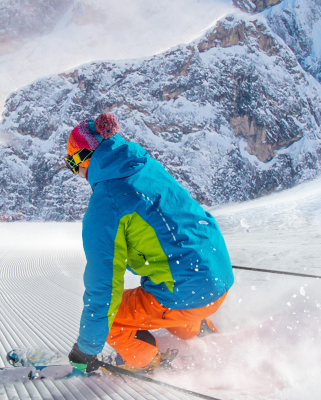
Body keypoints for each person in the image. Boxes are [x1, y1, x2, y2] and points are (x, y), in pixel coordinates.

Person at [65, 112, 234, 373]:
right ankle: (200, 331)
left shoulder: (106, 200)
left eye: (73, 165)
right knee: (168, 295)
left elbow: (104, 287)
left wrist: (87, 349)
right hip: (218, 277)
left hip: (187, 292)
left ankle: (146, 362)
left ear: (85, 158)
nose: (79, 174)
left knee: (113, 317)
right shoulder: (147, 167)